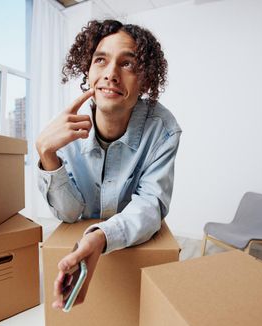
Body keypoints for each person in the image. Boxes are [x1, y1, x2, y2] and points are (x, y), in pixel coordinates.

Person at [36, 19, 181, 309]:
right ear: (88, 72)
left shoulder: (164, 129)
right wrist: (46, 156)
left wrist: (102, 237)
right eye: (100, 60)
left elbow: (151, 204)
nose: (111, 74)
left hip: (131, 258)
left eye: (127, 64)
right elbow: (70, 213)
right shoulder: (64, 130)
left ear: (146, 80)